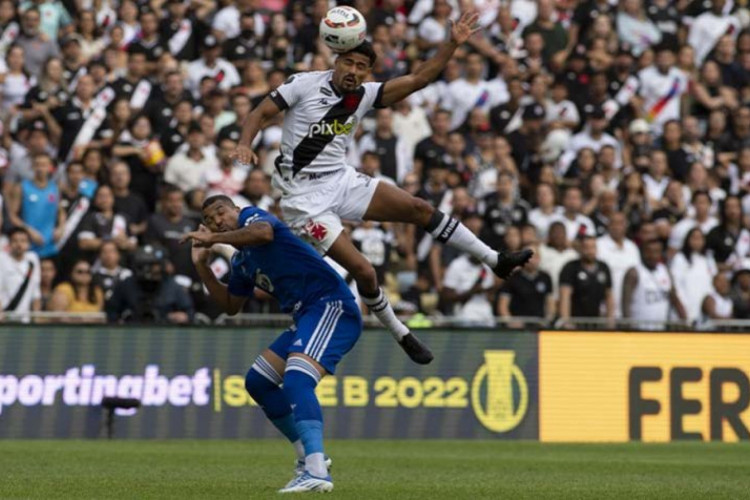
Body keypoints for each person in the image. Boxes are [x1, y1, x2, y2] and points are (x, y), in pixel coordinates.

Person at [231, 11, 532, 364]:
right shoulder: (303, 84)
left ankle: (493, 259)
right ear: (337, 58)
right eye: (350, 63)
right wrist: (244, 143)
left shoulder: (366, 95)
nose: (354, 71)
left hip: (340, 180)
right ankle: (400, 333)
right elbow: (259, 113)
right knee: (364, 271)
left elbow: (420, 78)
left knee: (419, 208)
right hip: (304, 201)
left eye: (362, 67)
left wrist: (452, 43)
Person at [182, 195, 361, 493]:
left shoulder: (255, 218)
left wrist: (213, 237)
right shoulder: (241, 262)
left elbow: (263, 233)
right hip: (306, 314)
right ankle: (308, 459)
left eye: (221, 213)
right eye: (211, 220)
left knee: (297, 381)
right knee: (258, 382)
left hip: (331, 305)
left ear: (237, 209)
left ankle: (317, 472)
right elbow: (230, 305)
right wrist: (201, 266)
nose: (217, 221)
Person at [622, 239, 686, 328]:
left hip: (660, 328)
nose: (653, 255)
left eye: (656, 252)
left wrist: (685, 319)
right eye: (649, 252)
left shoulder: (665, 270)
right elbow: (625, 304)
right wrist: (628, 327)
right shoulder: (634, 273)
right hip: (638, 329)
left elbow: (674, 298)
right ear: (643, 253)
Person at [559, 235, 614, 327]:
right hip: (576, 321)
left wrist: (610, 320)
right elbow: (565, 295)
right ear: (580, 249)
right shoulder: (570, 267)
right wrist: (566, 321)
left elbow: (609, 296)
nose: (590, 251)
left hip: (596, 321)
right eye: (586, 248)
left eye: (593, 247)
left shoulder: (604, 267)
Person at [669, 228, 716, 324]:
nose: (697, 241)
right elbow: (676, 285)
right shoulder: (680, 259)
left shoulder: (708, 260)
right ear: (687, 240)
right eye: (694, 238)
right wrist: (682, 308)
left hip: (703, 309)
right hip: (685, 307)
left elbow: (712, 284)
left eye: (700, 238)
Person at [0, 227, 41, 321]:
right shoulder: (2, 259)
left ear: (29, 244)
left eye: (23, 241)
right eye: (15, 241)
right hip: (4, 318)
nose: (19, 244)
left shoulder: (33, 260)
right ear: (9, 244)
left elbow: (36, 292)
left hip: (24, 320)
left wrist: (37, 319)